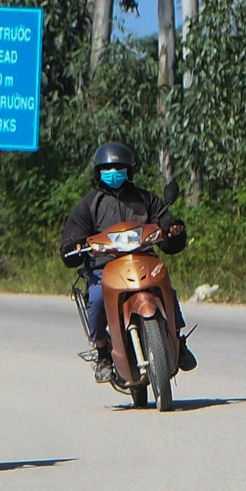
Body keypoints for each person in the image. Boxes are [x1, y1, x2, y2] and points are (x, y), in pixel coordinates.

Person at [59, 142, 195, 384]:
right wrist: (75, 247)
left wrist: (174, 231)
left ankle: (177, 338)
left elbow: (166, 229)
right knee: (98, 297)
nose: (114, 173)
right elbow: (71, 240)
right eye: (108, 169)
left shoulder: (147, 200)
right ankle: (102, 353)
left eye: (120, 168)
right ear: (98, 172)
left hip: (144, 261)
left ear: (129, 171)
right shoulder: (89, 205)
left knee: (166, 286)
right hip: (105, 268)